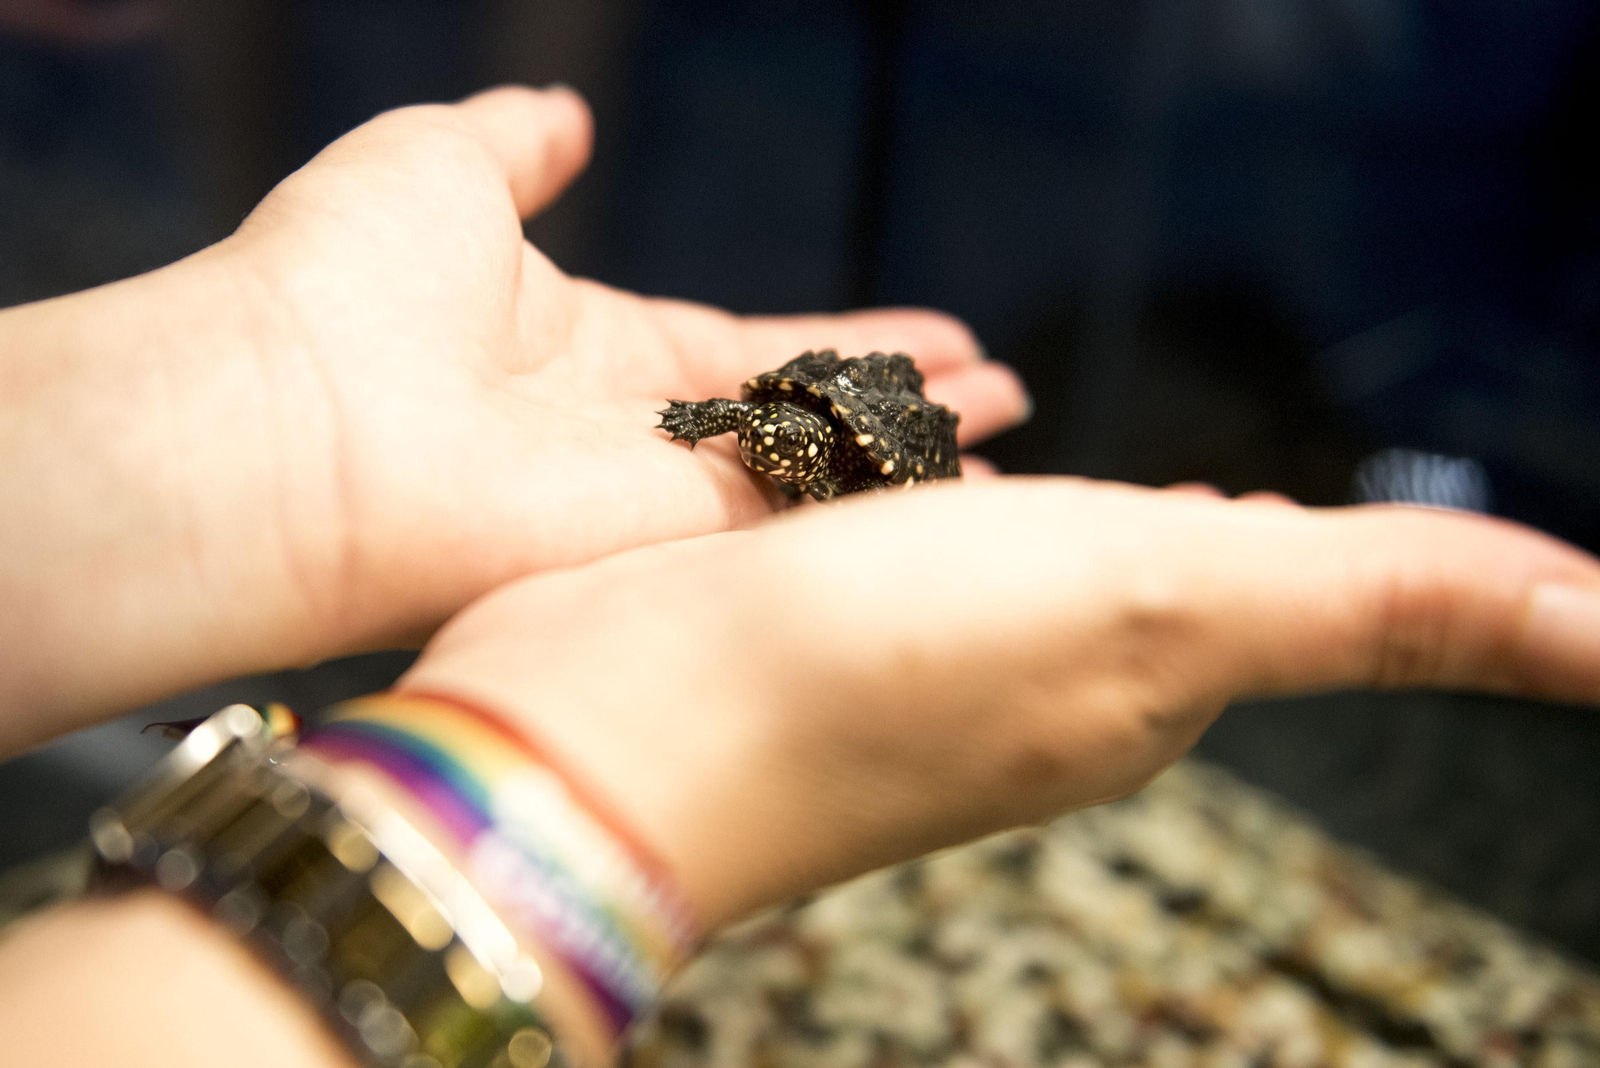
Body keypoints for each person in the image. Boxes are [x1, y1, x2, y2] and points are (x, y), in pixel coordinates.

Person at [1, 85, 1598, 1067]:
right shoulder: (769, 426)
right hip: (825, 429)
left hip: (859, 433)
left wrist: (230, 427)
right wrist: (641, 752)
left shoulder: (824, 440)